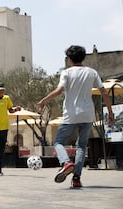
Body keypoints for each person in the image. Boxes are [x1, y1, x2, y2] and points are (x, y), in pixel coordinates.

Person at [38, 45, 114, 188]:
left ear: (69, 59)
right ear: (84, 57)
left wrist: (44, 100)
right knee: (81, 146)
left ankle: (66, 162)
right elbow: (104, 92)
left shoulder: (66, 73)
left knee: (58, 141)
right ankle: (76, 178)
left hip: (71, 115)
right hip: (87, 114)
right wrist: (110, 113)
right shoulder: (92, 72)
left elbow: (59, 90)